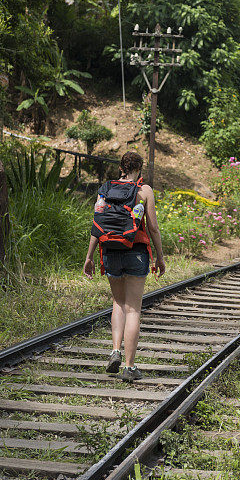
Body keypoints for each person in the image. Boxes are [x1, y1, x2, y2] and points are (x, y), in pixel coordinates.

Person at [83, 151, 166, 380]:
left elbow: (96, 224)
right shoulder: (144, 190)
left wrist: (89, 257)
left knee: (118, 303)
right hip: (136, 252)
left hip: (109, 251)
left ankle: (115, 351)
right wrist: (160, 256)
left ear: (121, 167)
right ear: (139, 168)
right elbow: (153, 228)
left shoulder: (106, 189)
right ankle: (129, 367)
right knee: (133, 309)